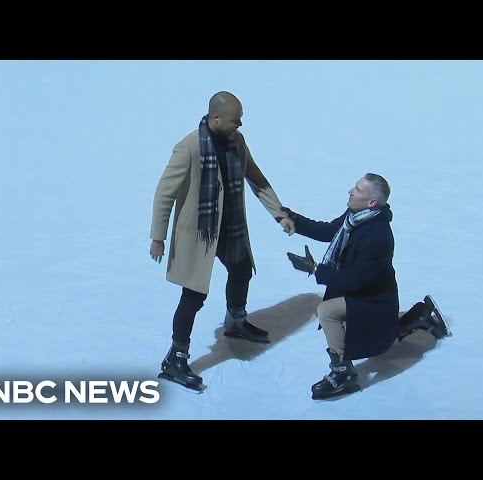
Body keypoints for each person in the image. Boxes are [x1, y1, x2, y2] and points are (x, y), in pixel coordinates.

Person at [150, 91, 294, 391]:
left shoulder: (237, 143)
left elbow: (256, 177)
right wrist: (158, 237)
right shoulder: (189, 148)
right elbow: (164, 193)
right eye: (234, 120)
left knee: (241, 270)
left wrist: (279, 213)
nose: (239, 125)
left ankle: (236, 322)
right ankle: (176, 358)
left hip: (230, 225)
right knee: (193, 296)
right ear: (215, 118)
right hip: (198, 232)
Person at [283, 173, 451, 400]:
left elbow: (355, 282)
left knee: (327, 312)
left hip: (374, 300)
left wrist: (315, 269)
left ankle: (343, 373)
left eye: (358, 190)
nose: (351, 191)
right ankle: (418, 317)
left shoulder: (378, 237)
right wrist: (291, 217)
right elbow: (327, 231)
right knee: (364, 327)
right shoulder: (356, 216)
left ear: (372, 202)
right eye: (355, 186)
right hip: (363, 291)